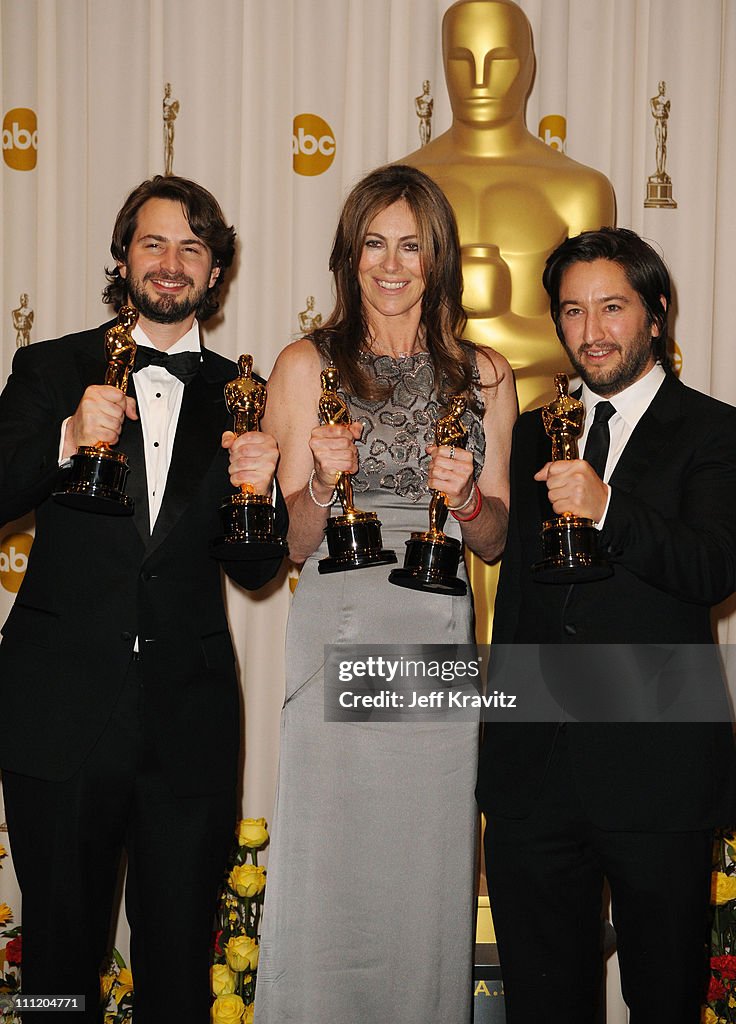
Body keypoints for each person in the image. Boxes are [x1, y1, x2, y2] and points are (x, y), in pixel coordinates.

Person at [0, 174, 287, 1023]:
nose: (171, 264)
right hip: (59, 714)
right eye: (154, 243)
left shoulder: (247, 394)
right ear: (123, 255)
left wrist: (259, 497)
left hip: (188, 724)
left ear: (215, 271)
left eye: (192, 248)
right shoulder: (51, 367)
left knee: (177, 965)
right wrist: (63, 439)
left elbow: (256, 570)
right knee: (57, 961)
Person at [251, 163, 516, 1023]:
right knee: (331, 865)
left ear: (439, 257)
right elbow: (284, 547)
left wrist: (470, 498)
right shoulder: (303, 365)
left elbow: (498, 537)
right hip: (338, 626)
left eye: (412, 244)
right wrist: (324, 487)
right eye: (374, 243)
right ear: (349, 255)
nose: (392, 265)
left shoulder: (486, 376)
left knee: (422, 871)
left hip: (437, 638)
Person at [476, 227, 736, 1023]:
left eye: (613, 307)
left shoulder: (714, 430)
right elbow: (518, 593)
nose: (592, 331)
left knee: (662, 999)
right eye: (573, 311)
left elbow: (714, 570)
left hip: (657, 765)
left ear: (656, 315)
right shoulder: (528, 432)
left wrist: (610, 508)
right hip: (535, 775)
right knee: (543, 1003)